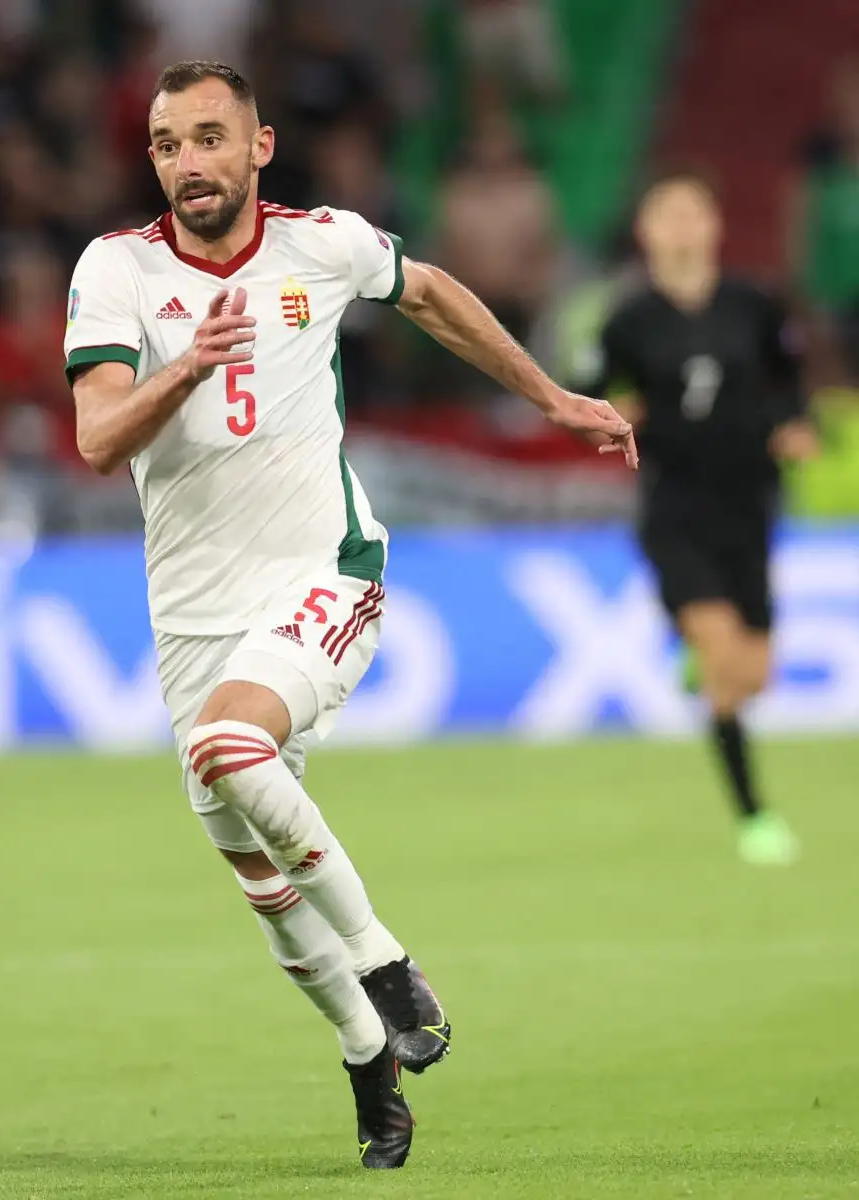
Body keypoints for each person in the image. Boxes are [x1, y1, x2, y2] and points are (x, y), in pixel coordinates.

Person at [63, 60, 635, 1170]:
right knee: (257, 873)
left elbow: (430, 296)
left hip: (326, 572)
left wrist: (555, 399)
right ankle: (367, 1058)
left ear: (259, 146)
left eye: (212, 138)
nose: (191, 162)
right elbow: (94, 440)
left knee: (234, 747)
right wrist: (184, 370)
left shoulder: (323, 244)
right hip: (192, 614)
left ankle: (384, 963)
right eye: (170, 144)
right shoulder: (115, 269)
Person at [594, 172, 817, 866]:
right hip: (677, 505)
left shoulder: (753, 304)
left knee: (753, 676)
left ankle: (701, 660)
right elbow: (593, 391)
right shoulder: (629, 320)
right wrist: (613, 417)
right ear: (648, 231)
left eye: (697, 212)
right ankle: (754, 817)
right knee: (724, 666)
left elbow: (791, 379)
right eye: (670, 214)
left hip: (750, 501)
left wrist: (795, 425)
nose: (685, 226)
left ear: (716, 224)